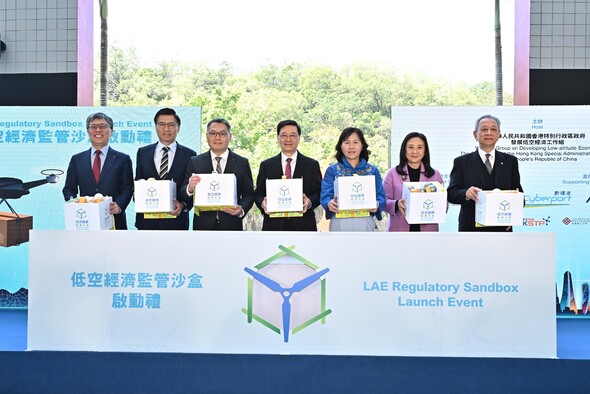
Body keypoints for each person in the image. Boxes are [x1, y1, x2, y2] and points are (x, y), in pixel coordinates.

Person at [447, 114, 523, 232]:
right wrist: (466, 193)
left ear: (499, 134)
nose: (489, 133)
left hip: (502, 227)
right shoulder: (461, 162)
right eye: (483, 129)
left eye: (493, 129)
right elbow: (451, 193)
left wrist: (512, 215)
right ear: (475, 135)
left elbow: (519, 194)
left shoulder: (510, 162)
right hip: (471, 227)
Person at [180, 118, 254, 230]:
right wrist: (190, 188)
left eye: (222, 134)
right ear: (207, 136)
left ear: (230, 136)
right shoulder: (195, 161)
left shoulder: (241, 163)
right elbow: (183, 193)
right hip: (203, 226)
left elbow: (249, 194)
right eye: (213, 133)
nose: (217, 137)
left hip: (232, 224)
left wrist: (241, 209)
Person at [63, 112, 134, 230]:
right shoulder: (77, 159)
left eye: (102, 126)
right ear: (88, 131)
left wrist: (119, 205)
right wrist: (73, 203)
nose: (98, 130)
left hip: (114, 220)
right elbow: (69, 188)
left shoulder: (123, 159)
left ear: (111, 131)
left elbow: (127, 188)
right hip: (84, 220)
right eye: (93, 126)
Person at [135, 108, 196, 230]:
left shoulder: (190, 155)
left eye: (171, 125)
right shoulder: (143, 152)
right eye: (162, 124)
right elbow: (139, 180)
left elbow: (190, 189)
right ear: (156, 127)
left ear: (178, 128)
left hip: (176, 222)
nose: (166, 129)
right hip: (147, 222)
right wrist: (137, 194)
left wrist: (183, 206)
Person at [255, 120, 322, 231]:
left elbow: (319, 192)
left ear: (299, 138)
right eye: (284, 135)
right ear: (278, 137)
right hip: (273, 225)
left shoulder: (312, 165)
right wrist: (263, 203)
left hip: (304, 225)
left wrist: (309, 202)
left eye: (292, 135)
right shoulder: (266, 165)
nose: (288, 139)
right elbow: (258, 193)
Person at [320, 127, 385, 232]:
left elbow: (380, 196)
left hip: (365, 219)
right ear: (340, 146)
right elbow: (325, 195)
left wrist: (376, 204)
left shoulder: (372, 171)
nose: (351, 147)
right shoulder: (332, 170)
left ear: (362, 145)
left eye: (355, 142)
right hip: (340, 220)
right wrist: (329, 204)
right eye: (347, 142)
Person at [383, 132, 444, 232]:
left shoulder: (435, 174)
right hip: (399, 230)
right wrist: (396, 204)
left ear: (425, 151)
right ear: (404, 150)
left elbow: (443, 204)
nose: (415, 151)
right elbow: (383, 201)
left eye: (420, 147)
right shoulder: (392, 173)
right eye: (410, 147)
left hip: (428, 230)